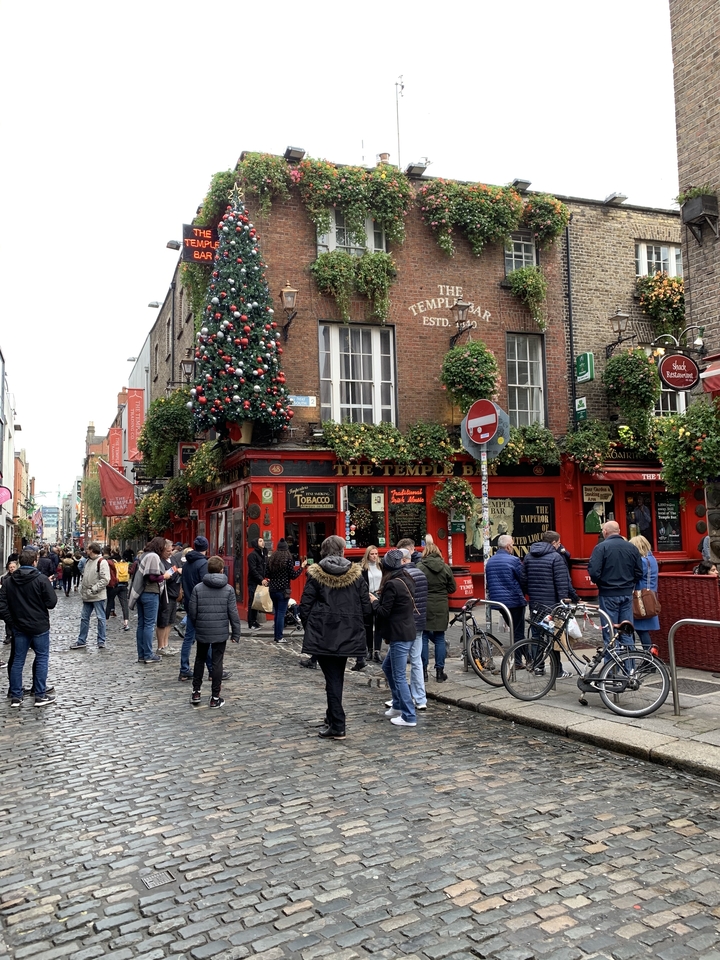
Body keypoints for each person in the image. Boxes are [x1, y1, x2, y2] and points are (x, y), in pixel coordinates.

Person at [299, 535, 371, 739]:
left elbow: (305, 606)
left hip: (324, 633)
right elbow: (366, 607)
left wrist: (312, 627)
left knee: (333, 679)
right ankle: (332, 716)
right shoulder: (356, 574)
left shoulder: (316, 574)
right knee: (336, 677)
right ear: (342, 551)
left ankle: (338, 723)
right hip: (348, 632)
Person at [0, 549, 57, 707]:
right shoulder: (41, 579)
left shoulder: (9, 581)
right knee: (41, 658)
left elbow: (2, 606)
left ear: (19, 562)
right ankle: (39, 695)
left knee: (18, 660)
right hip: (39, 626)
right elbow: (51, 603)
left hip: (19, 626)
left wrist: (12, 621)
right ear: (34, 561)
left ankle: (16, 696)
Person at [372, 549, 418, 727]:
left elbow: (383, 612)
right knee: (387, 667)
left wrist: (374, 601)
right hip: (406, 630)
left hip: (400, 633)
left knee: (399, 675)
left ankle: (409, 715)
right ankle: (398, 704)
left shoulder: (392, 584)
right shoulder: (407, 579)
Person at [188, 555, 241, 709]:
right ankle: (215, 697)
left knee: (200, 659)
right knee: (217, 662)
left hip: (203, 629)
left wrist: (197, 624)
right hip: (220, 631)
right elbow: (233, 613)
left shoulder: (198, 588)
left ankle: (196, 692)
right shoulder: (229, 589)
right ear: (221, 569)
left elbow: (192, 611)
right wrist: (236, 633)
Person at [524, 530, 579, 677]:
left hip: (535, 603)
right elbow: (562, 582)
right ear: (554, 543)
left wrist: (531, 594)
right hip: (552, 605)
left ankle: (538, 667)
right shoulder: (556, 557)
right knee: (553, 637)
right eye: (559, 543)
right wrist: (567, 600)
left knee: (536, 635)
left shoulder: (529, 556)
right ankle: (557, 670)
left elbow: (524, 579)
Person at [588, 520, 643, 647]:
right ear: (619, 531)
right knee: (627, 631)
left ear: (605, 532)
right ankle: (630, 666)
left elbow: (594, 572)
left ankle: (612, 666)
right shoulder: (632, 547)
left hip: (608, 594)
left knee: (610, 633)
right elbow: (639, 572)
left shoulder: (601, 548)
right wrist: (630, 583)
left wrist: (601, 583)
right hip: (626, 593)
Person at [128, 537, 173, 664]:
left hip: (142, 593)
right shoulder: (153, 556)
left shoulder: (144, 555)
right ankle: (148, 654)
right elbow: (152, 576)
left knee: (142, 624)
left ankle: (142, 654)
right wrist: (164, 576)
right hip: (150, 593)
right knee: (149, 624)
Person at [484, 534, 527, 666]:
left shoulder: (490, 561)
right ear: (508, 546)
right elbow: (523, 579)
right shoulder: (513, 560)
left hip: (499, 603)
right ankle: (520, 661)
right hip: (514, 600)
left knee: (515, 630)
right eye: (512, 545)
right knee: (518, 632)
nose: (513, 547)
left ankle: (528, 658)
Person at [417, 542, 456, 683]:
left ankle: (424, 672)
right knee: (440, 638)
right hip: (441, 605)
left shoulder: (420, 567)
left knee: (424, 638)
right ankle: (440, 672)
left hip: (424, 605)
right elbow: (452, 588)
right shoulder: (445, 568)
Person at [397, 540, 428, 709]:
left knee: (398, 663)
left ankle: (399, 698)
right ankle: (420, 698)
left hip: (403, 623)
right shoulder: (421, 574)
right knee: (416, 660)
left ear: (403, 560)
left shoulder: (401, 576)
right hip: (419, 622)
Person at [179, 537, 213, 680]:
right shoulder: (203, 564)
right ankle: (212, 669)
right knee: (206, 638)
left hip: (189, 603)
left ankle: (184, 669)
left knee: (189, 638)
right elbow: (206, 584)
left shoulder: (187, 564)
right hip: (201, 605)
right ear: (206, 547)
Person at [69, 542, 110, 650]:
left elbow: (105, 579)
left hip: (97, 595)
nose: (86, 551)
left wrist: (93, 589)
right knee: (84, 618)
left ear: (92, 550)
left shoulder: (102, 562)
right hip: (87, 595)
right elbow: (85, 576)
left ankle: (101, 640)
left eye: (88, 549)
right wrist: (83, 590)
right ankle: (81, 640)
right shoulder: (87, 561)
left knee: (100, 618)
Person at [267, 539, 307, 643]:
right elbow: (293, 576)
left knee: (277, 613)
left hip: (272, 590)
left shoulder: (272, 559)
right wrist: (302, 567)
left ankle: (276, 636)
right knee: (281, 613)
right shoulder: (288, 559)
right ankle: (279, 637)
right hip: (283, 590)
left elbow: (267, 573)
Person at [629, 535, 659, 651]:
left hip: (640, 598)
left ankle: (649, 659)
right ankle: (649, 658)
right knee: (643, 630)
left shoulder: (641, 561)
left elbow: (635, 576)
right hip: (650, 596)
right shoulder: (652, 559)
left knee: (641, 631)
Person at [156, 539, 182, 656]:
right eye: (167, 551)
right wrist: (176, 570)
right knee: (163, 621)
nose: (170, 552)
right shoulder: (160, 561)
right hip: (165, 594)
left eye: (171, 550)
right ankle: (161, 646)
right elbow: (166, 575)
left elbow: (174, 569)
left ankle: (166, 644)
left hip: (173, 593)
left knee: (169, 621)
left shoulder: (172, 559)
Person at [360, 545, 384, 663]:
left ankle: (377, 651)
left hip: (379, 596)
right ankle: (369, 649)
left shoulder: (381, 566)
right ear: (368, 555)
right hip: (368, 596)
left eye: (376, 554)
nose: (374, 556)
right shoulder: (363, 568)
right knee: (368, 625)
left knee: (379, 624)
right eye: (372, 554)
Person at [247, 537, 268, 631]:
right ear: (256, 543)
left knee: (257, 602)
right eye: (260, 541)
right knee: (252, 602)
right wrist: (261, 579)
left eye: (263, 541)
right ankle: (251, 622)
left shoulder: (263, 554)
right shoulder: (252, 555)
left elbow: (265, 567)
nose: (262, 542)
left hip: (260, 581)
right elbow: (253, 569)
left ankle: (254, 621)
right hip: (253, 582)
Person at [113, 551, 131, 630]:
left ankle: (105, 619)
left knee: (109, 602)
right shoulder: (126, 564)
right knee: (124, 605)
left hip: (115, 585)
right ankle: (126, 622)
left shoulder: (114, 565)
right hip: (124, 585)